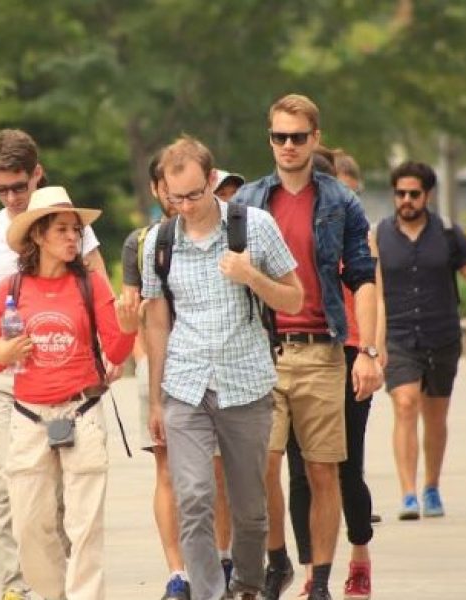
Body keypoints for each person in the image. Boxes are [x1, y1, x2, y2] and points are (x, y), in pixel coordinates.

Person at [232, 94, 382, 600]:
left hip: (322, 349)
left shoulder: (341, 201)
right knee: (263, 464)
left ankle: (319, 578)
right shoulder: (248, 201)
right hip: (262, 349)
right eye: (279, 137)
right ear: (269, 139)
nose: (289, 146)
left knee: (323, 470)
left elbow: (363, 277)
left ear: (315, 139)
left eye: (298, 136)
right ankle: (277, 560)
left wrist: (369, 352)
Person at [144, 135, 304, 600]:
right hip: (186, 384)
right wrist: (155, 398)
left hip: (245, 383)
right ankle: (210, 592)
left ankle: (248, 586)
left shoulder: (254, 227)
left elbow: (294, 298)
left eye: (195, 194)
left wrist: (251, 275)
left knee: (250, 509)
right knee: (192, 497)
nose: (188, 206)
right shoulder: (161, 240)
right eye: (177, 198)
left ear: (213, 181)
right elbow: (157, 323)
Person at [0, 129, 107, 600]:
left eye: (18, 186)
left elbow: (98, 286)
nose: (11, 197)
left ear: (36, 175)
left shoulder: (66, 227)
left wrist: (110, 348)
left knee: (67, 499)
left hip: (71, 377)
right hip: (8, 378)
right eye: (0, 189)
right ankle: (19, 585)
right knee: (15, 490)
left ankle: (66, 585)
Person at [0, 186, 138, 600]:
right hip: (29, 416)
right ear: (37, 235)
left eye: (76, 230)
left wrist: (128, 326)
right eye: (63, 230)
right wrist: (3, 351)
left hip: (82, 411)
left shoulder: (92, 285)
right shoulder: (11, 290)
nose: (73, 238)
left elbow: (117, 354)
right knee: (30, 525)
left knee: (85, 527)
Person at [375, 161, 466, 521]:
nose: (406, 200)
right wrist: (372, 339)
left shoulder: (449, 234)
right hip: (399, 336)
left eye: (413, 194)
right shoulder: (379, 236)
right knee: (405, 403)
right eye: (400, 193)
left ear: (427, 195)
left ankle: (431, 486)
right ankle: (407, 494)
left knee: (435, 415)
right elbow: (371, 291)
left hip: (441, 335)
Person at [283, 148, 381, 600]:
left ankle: (359, 557)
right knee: (301, 472)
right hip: (299, 354)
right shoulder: (284, 222)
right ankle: (312, 569)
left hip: (348, 351)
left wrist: (373, 352)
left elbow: (373, 290)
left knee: (346, 467)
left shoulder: (349, 222)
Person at [121, 151, 192, 599]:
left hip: (211, 365)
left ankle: (219, 561)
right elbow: (131, 321)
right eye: (166, 186)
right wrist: (131, 322)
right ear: (155, 189)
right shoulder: (141, 242)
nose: (174, 194)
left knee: (215, 474)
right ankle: (176, 571)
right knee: (167, 472)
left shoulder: (216, 231)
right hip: (159, 368)